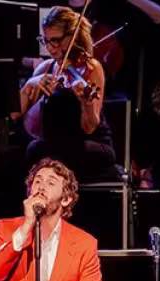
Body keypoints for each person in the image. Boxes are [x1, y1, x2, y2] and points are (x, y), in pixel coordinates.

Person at [21, 5, 117, 181]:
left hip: (90, 144)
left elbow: (89, 127)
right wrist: (31, 83)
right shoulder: (47, 67)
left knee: (44, 151)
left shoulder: (91, 68)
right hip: (54, 145)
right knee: (31, 150)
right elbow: (15, 114)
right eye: (45, 41)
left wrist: (86, 104)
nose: (50, 48)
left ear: (73, 37)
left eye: (56, 40)